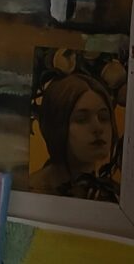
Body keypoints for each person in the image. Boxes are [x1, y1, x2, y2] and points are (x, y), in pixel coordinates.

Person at [30, 70, 121, 202]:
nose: (98, 128)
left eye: (103, 117)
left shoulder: (113, 194)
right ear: (57, 126)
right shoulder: (33, 190)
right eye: (82, 119)